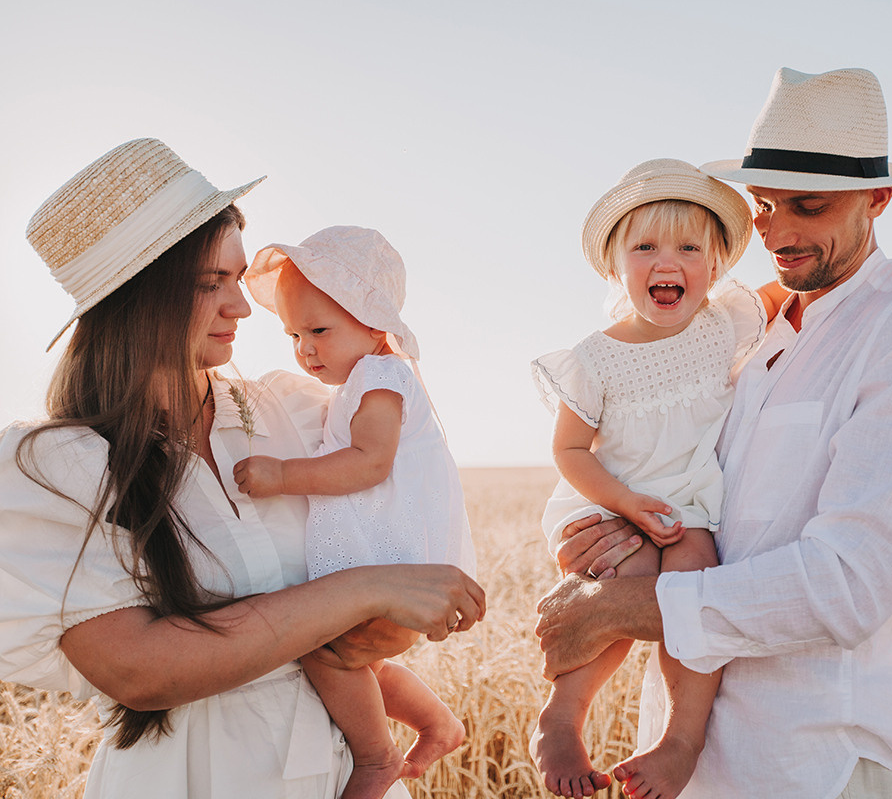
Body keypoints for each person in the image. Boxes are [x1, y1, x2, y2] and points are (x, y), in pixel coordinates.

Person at [535, 68, 892, 799]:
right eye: (765, 204)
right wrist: (601, 534)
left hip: (816, 763)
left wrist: (614, 611)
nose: (776, 232)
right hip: (686, 765)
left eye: (808, 206)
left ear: (878, 199)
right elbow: (658, 454)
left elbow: (848, 584)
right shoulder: (746, 330)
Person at [0, 138, 484, 799]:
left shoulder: (289, 411)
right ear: (137, 299)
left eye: (238, 277)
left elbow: (399, 497)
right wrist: (365, 589)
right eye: (211, 283)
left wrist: (396, 620)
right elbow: (140, 671)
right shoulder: (60, 467)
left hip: (341, 774)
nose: (244, 308)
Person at [529, 158, 789, 799]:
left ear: (717, 265)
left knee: (697, 579)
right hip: (613, 502)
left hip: (689, 505)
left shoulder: (723, 321)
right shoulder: (595, 358)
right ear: (616, 264)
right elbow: (568, 449)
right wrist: (625, 502)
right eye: (644, 246)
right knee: (633, 574)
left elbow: (796, 294)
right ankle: (562, 716)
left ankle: (682, 736)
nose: (665, 261)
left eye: (688, 247)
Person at [232, 226, 477, 799]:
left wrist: (283, 476)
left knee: (325, 652)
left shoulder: (380, 375)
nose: (305, 349)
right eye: (293, 334)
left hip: (394, 563)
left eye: (319, 330)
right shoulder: (363, 380)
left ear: (374, 323)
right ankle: (437, 723)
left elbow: (370, 462)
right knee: (353, 660)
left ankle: (374, 758)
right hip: (389, 561)